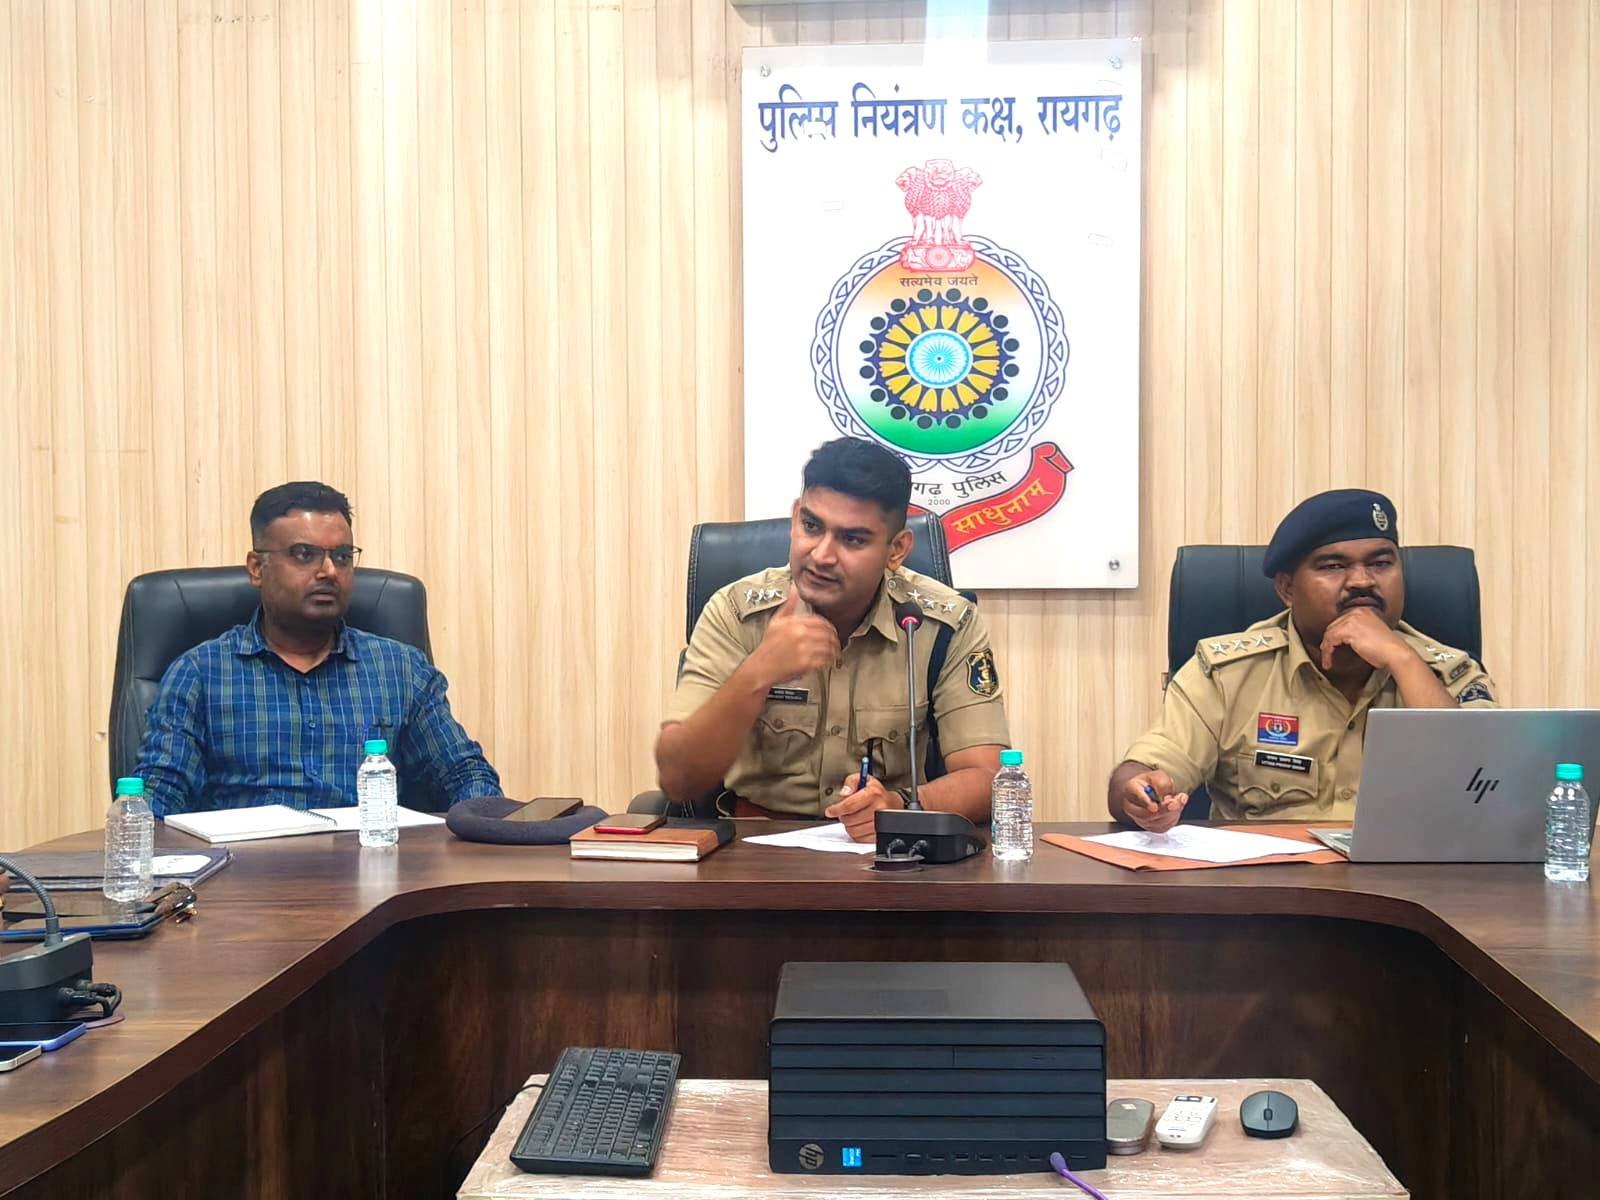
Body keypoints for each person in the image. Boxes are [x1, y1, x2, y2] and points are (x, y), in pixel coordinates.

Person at [655, 438, 1009, 842]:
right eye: (811, 526)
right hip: (755, 849)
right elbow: (677, 780)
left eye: (852, 539)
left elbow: (989, 778)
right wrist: (757, 673)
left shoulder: (941, 623)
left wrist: (896, 805)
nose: (822, 555)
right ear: (795, 517)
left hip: (887, 850)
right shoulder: (737, 612)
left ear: (896, 550)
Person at [1108, 488, 1497, 832]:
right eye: (1334, 566)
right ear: (1287, 589)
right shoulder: (1228, 675)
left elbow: (1482, 788)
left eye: (1381, 563)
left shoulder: (1451, 673)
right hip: (1269, 885)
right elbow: (1147, 768)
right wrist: (1139, 794)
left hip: (1411, 884)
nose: (1362, 581)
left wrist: (1402, 658)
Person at [136, 482, 502, 817]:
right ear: (257, 568)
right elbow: (161, 790)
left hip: (373, 861)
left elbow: (462, 773)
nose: (329, 571)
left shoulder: (401, 669)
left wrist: (485, 828)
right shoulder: (200, 673)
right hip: (246, 865)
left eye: (342, 556)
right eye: (303, 554)